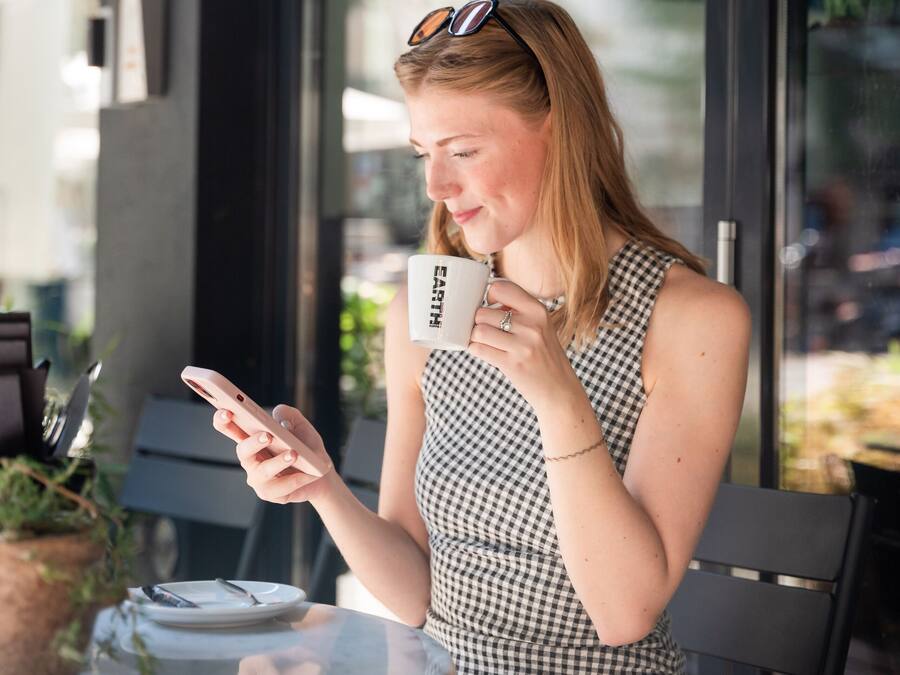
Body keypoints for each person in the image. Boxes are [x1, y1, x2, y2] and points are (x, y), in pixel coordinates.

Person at [212, 1, 751, 672]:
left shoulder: (691, 319)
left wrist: (557, 397)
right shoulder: (426, 307)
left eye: (463, 150)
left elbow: (623, 612)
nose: (437, 186)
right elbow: (414, 596)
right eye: (424, 154)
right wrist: (322, 486)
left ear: (558, 129)